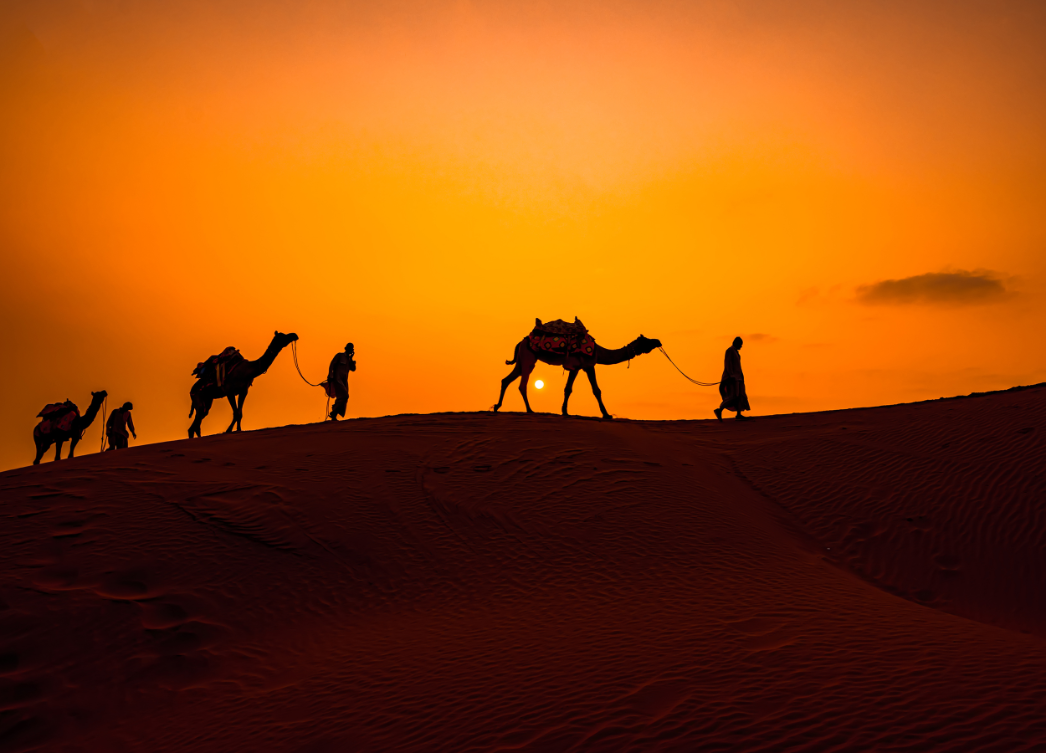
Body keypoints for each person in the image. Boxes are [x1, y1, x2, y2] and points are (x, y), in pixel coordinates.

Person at [714, 337, 751, 421]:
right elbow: (728, 364)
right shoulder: (730, 351)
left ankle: (738, 414)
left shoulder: (735, 352)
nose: (741, 346)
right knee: (733, 397)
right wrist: (731, 375)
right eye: (740, 344)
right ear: (736, 343)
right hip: (732, 378)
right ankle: (719, 410)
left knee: (740, 396)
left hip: (738, 378)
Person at [326, 343, 356, 421]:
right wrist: (330, 375)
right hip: (337, 379)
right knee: (345, 395)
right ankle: (334, 411)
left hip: (344, 381)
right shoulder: (340, 355)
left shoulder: (349, 360)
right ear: (346, 349)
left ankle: (334, 414)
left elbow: (353, 369)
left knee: (343, 398)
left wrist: (351, 359)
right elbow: (332, 364)